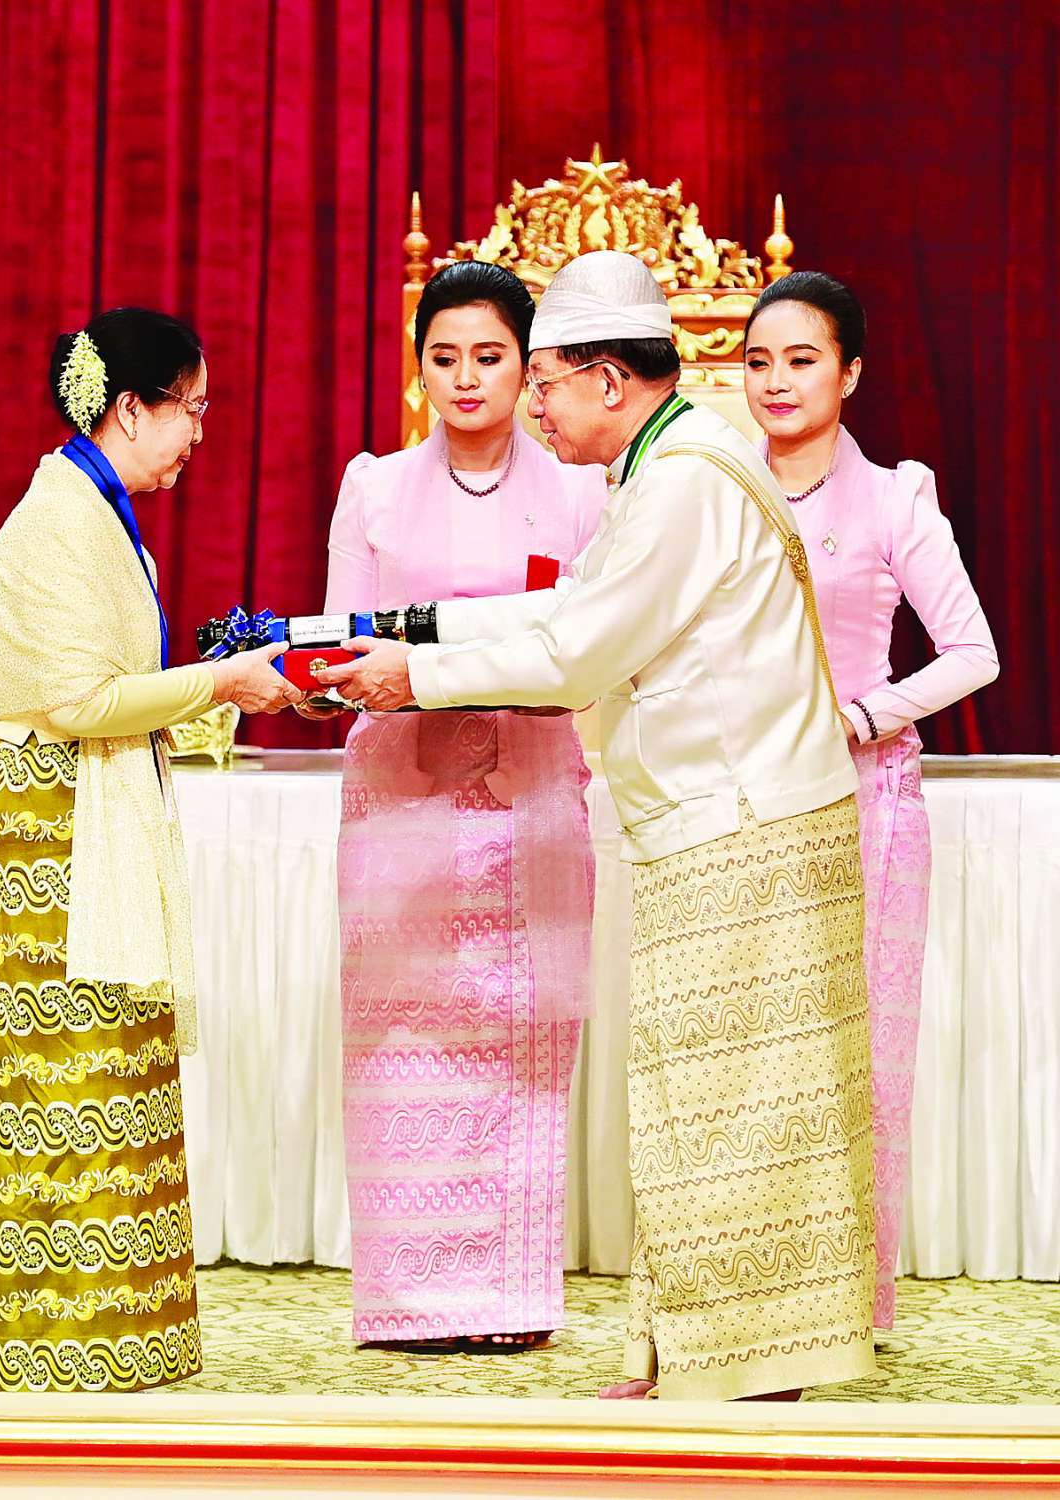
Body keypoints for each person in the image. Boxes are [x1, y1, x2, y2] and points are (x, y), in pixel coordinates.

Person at [319, 251, 877, 1401]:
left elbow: (577, 653)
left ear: (608, 380)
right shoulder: (671, 459)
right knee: (698, 1100)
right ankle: (701, 1355)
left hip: (741, 827)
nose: (534, 406)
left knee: (729, 1106)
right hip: (725, 819)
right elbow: (575, 606)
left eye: (544, 382)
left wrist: (411, 675)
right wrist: (412, 628)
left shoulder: (680, 482)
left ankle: (746, 1366)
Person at [0, 306, 301, 1393]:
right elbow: (76, 702)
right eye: (189, 408)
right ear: (129, 408)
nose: (199, 431)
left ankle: (116, 1340)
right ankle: (61, 1349)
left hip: (78, 819)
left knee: (109, 1076)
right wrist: (222, 681)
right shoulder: (61, 520)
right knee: (63, 1093)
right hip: (43, 837)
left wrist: (217, 695)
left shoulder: (95, 511)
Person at [308, 262, 608, 1353]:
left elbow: (588, 649)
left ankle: (511, 1303)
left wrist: (446, 662)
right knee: (403, 1038)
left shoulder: (580, 492)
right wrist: (317, 675)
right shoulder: (374, 487)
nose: (466, 378)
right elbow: (337, 638)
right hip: (404, 803)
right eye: (444, 357)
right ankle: (407, 1300)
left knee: (523, 1040)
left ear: (530, 367)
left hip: (533, 794)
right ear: (418, 366)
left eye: (490, 356)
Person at [743, 271, 998, 1329]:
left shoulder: (895, 496)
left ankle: (845, 1298)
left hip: (862, 805)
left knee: (853, 1055)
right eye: (757, 362)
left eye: (802, 361)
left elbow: (973, 652)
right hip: (742, 802)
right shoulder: (718, 488)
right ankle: (748, 1292)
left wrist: (862, 716)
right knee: (750, 1052)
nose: (776, 382)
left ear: (849, 373)